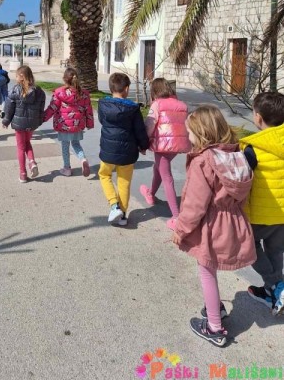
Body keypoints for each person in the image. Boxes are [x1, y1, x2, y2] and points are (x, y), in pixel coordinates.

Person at [172, 105, 255, 347]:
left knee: (207, 271)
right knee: (211, 268)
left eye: (190, 132)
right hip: (232, 221)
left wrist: (181, 230)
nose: (188, 136)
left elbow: (195, 204)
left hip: (210, 225)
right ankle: (215, 307)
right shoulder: (236, 155)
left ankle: (215, 327)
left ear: (202, 132)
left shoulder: (203, 162)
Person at [239, 91, 284, 316]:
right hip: (282, 215)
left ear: (258, 117)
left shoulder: (253, 148)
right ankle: (271, 292)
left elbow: (242, 180)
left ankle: (277, 284)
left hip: (260, 215)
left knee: (248, 246)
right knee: (276, 251)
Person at [98, 73, 149, 226]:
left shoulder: (103, 105)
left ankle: (114, 205)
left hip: (108, 149)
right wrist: (144, 146)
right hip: (128, 152)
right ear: (126, 89)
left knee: (104, 174)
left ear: (111, 88)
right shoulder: (133, 109)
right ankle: (123, 216)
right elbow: (140, 130)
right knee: (124, 182)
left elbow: (101, 120)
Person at [140, 78, 191, 230]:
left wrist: (143, 143)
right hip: (178, 145)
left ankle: (176, 216)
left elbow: (149, 125)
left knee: (167, 177)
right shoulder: (182, 105)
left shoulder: (157, 104)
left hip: (162, 146)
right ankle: (151, 194)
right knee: (159, 168)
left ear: (154, 91)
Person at [43, 67, 93, 177]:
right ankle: (83, 160)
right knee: (76, 144)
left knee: (65, 146)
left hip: (64, 125)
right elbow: (88, 109)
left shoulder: (59, 93)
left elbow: (52, 108)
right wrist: (89, 124)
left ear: (64, 79)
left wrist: (42, 118)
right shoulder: (83, 94)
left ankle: (67, 168)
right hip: (77, 125)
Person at [2, 66, 46, 183]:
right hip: (32, 123)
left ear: (21, 77)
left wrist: (6, 121)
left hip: (19, 124)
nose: (15, 77)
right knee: (27, 143)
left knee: (21, 147)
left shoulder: (15, 90)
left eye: (16, 75)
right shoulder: (39, 91)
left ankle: (23, 173)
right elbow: (41, 108)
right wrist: (39, 120)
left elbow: (9, 108)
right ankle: (32, 162)